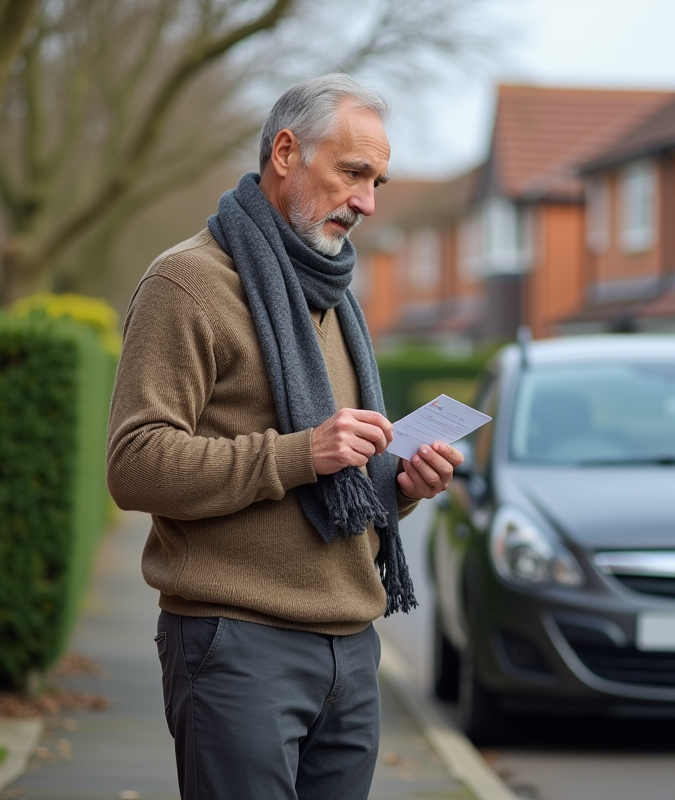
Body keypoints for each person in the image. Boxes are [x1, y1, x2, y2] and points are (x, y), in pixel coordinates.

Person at [105, 74, 462, 800]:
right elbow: (133, 464)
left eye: (378, 181)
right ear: (287, 151)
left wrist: (401, 484)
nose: (367, 201)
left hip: (353, 652)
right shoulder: (186, 284)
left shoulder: (332, 298)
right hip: (237, 645)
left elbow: (340, 485)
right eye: (353, 172)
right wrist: (302, 452)